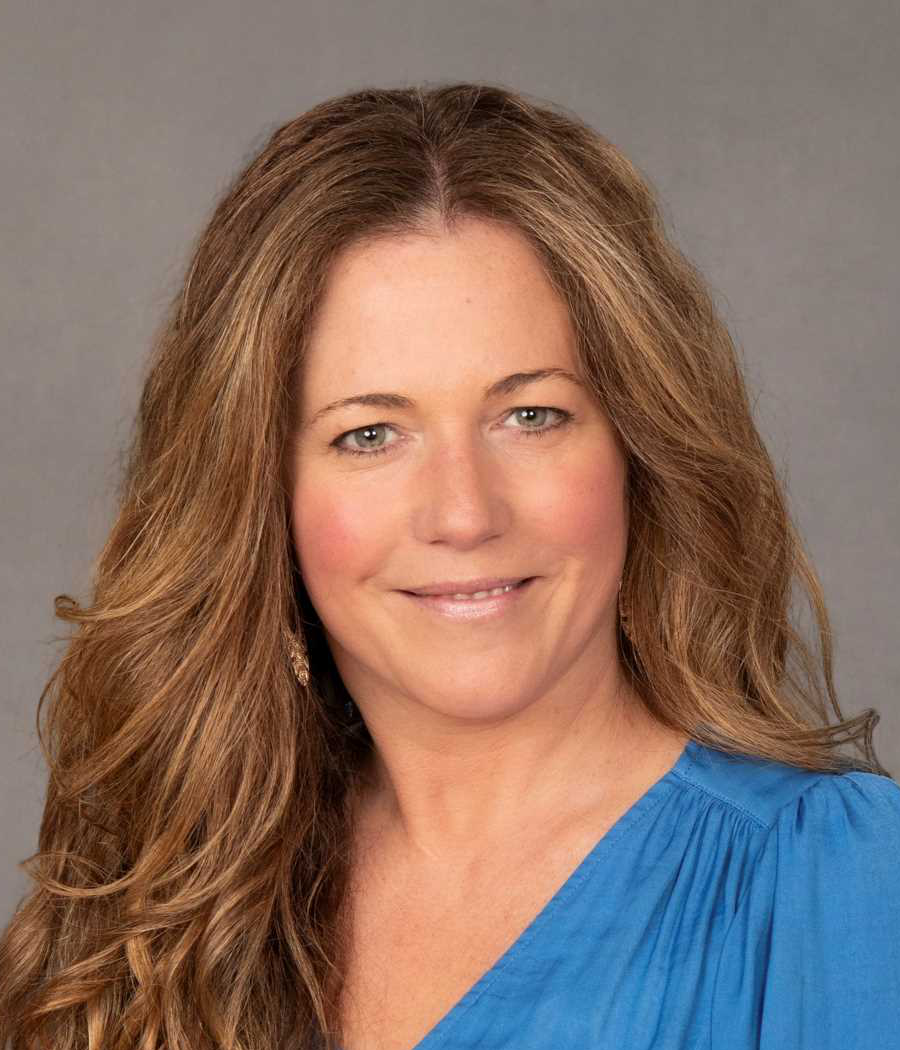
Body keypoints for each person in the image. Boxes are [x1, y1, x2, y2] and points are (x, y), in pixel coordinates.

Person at [0, 81, 898, 1050]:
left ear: (639, 451)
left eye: (531, 416)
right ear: (260, 495)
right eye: (371, 434)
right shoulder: (158, 913)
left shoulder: (839, 882)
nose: (464, 513)